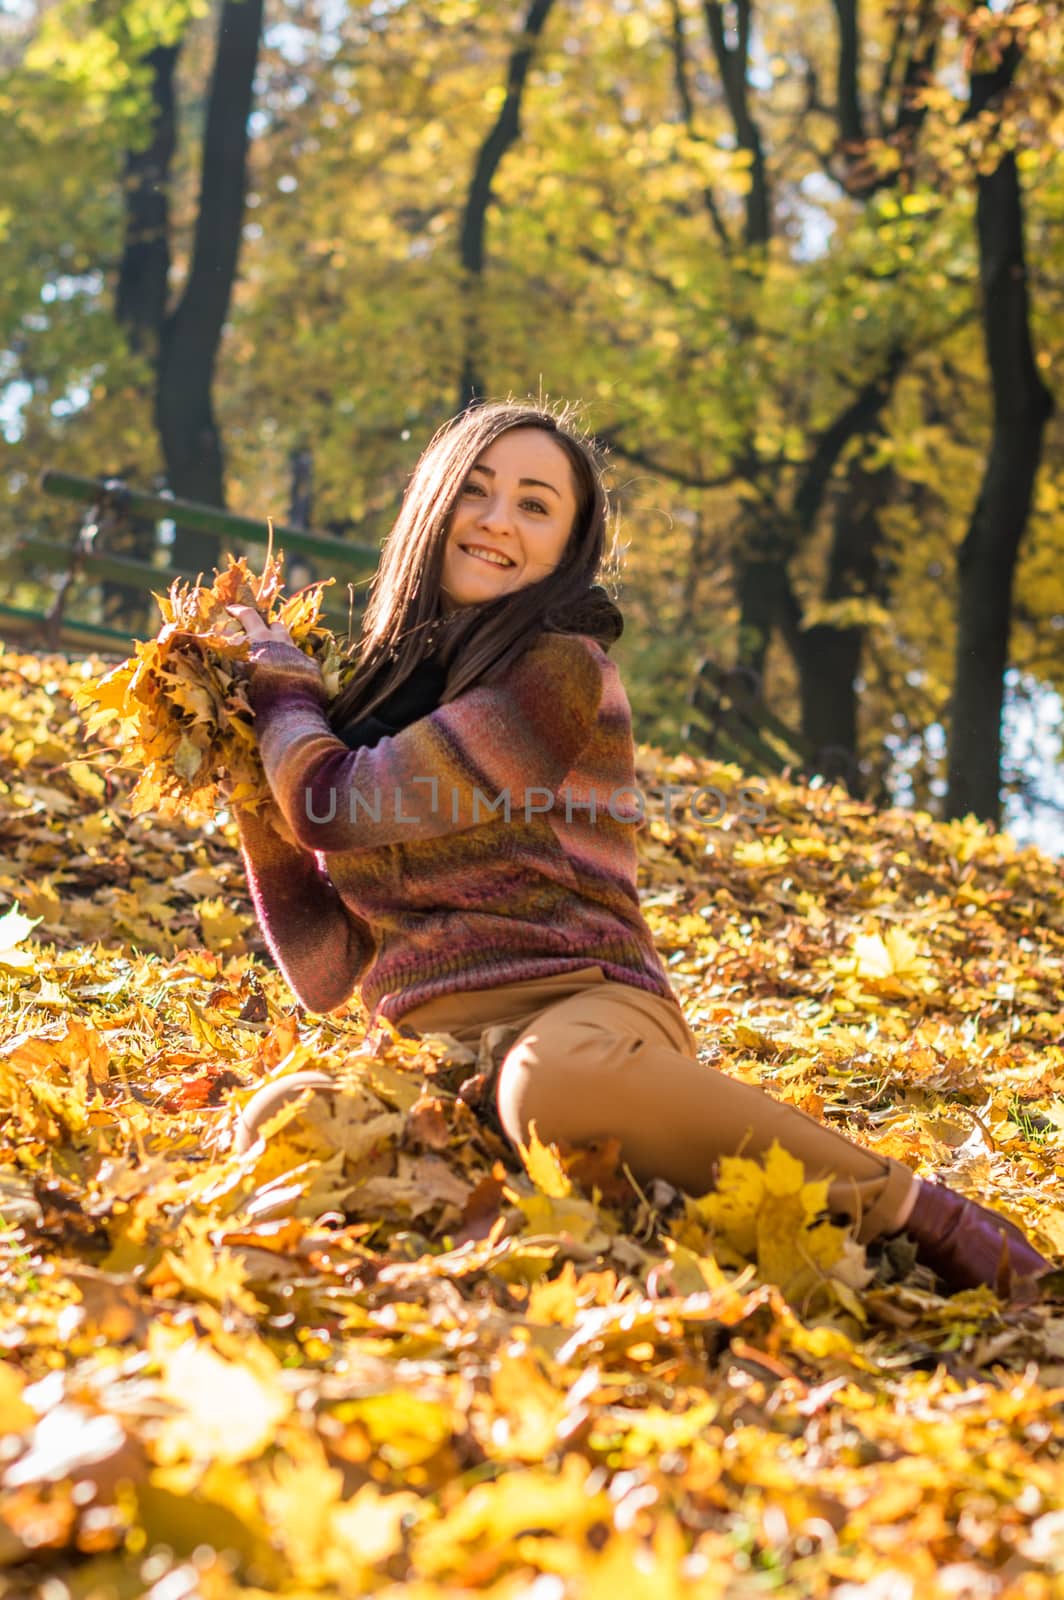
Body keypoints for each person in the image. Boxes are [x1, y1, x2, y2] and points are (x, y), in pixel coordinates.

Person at [224, 400, 1051, 1302]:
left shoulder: (559, 672)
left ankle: (923, 1216)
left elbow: (331, 806)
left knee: (553, 1086)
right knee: (285, 1121)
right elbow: (324, 972)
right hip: (443, 1060)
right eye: (476, 490)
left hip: (583, 1012)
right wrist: (243, 767)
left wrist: (279, 701)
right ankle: (600, 1222)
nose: (497, 520)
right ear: (434, 504)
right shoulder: (363, 715)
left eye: (535, 506)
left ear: (568, 546)